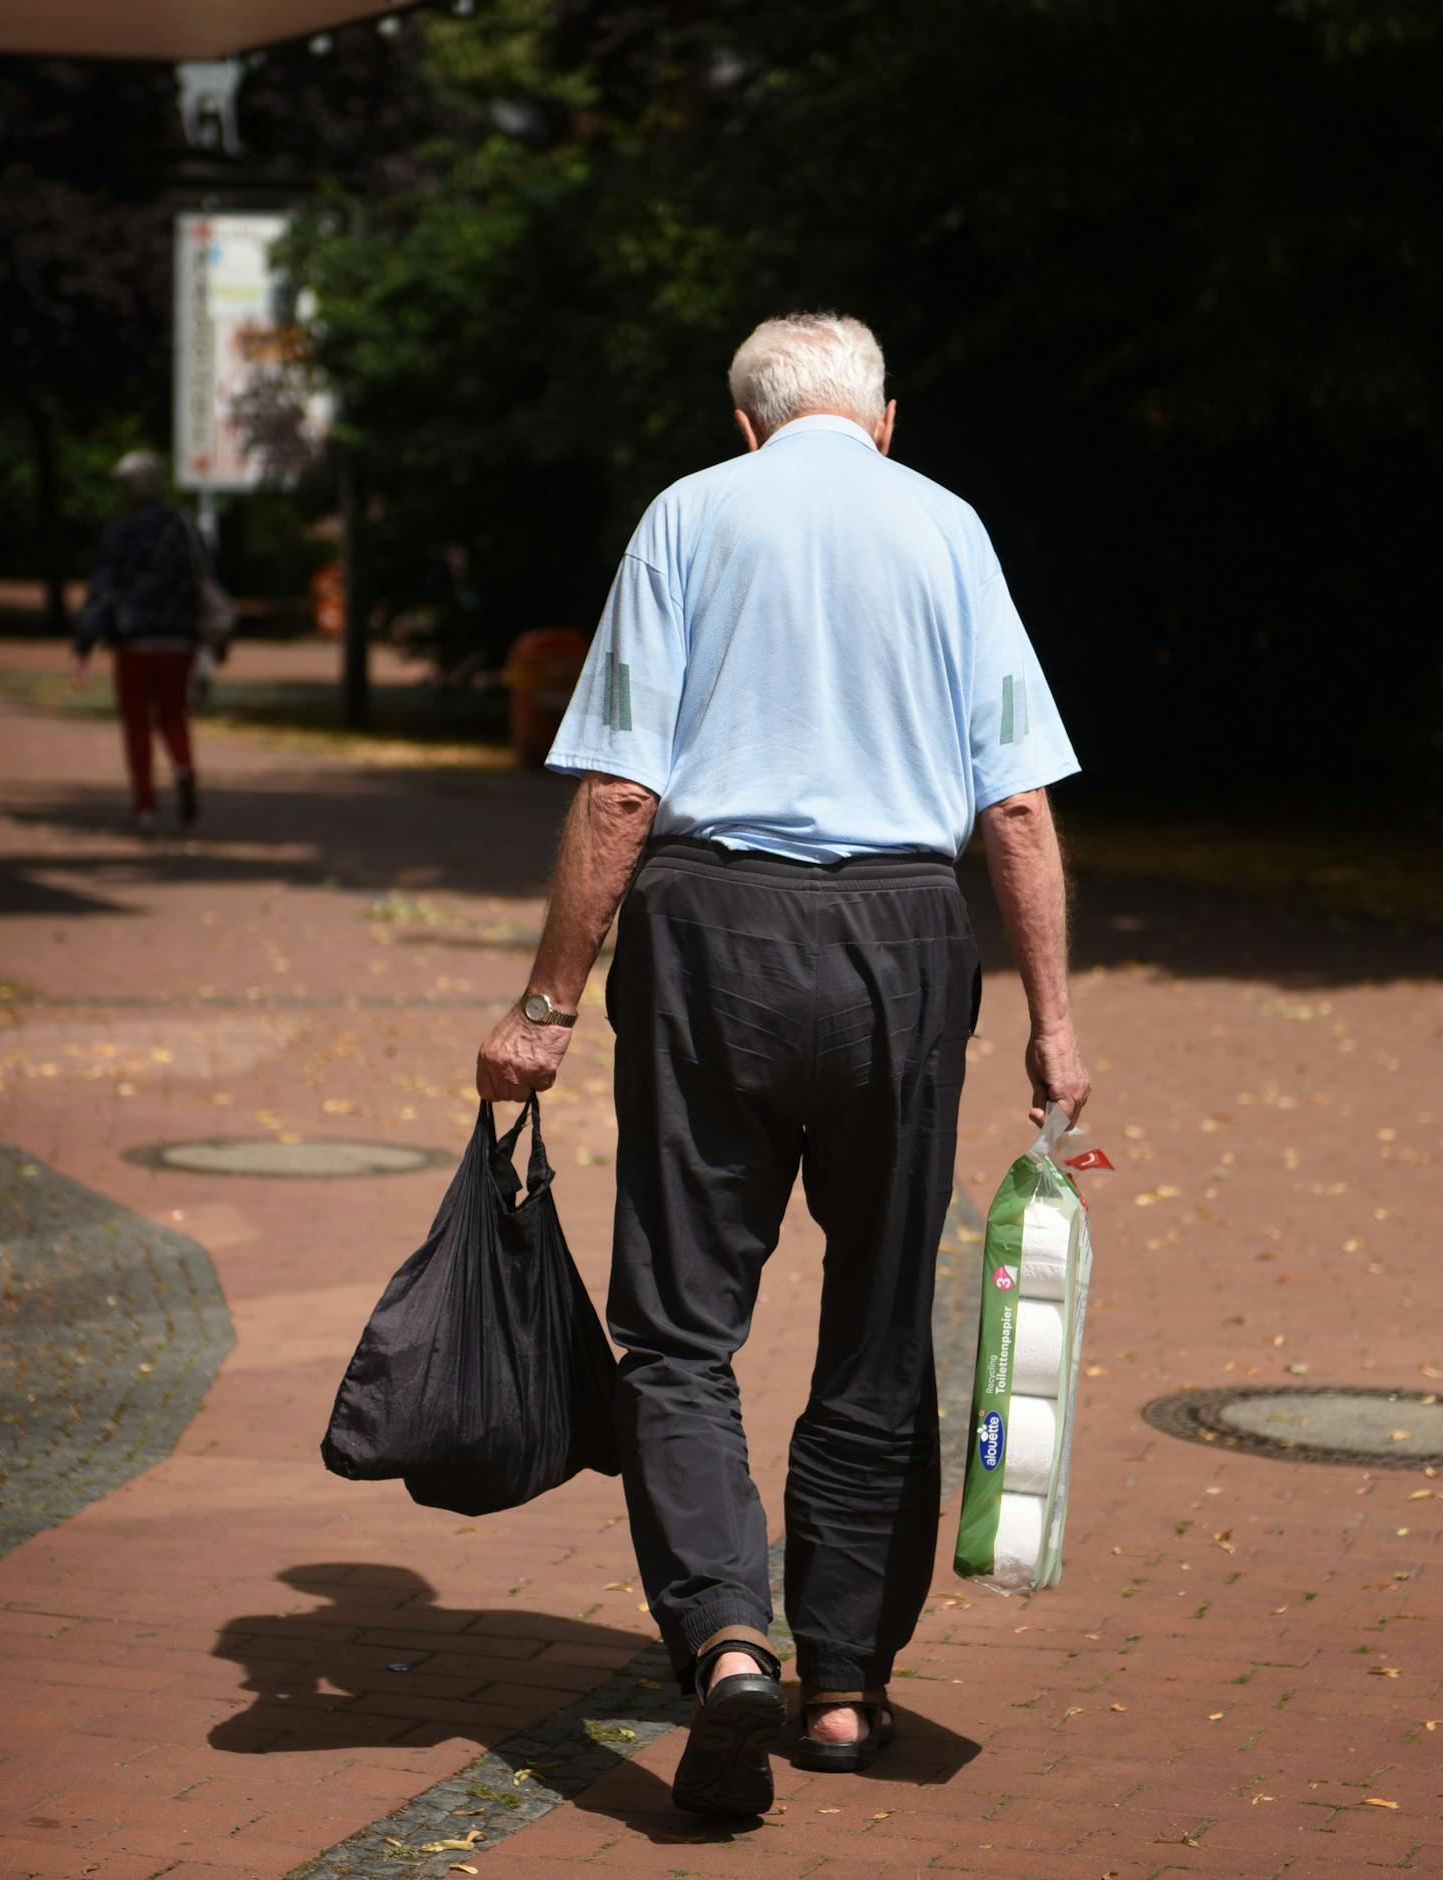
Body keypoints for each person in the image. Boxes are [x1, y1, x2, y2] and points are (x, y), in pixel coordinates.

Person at [476, 312, 1088, 1818]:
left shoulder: (690, 514)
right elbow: (1014, 808)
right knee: (879, 1320)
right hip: (901, 939)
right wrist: (1053, 1025)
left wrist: (548, 1006)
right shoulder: (949, 527)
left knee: (681, 1327)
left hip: (710, 943)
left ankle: (727, 1635)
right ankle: (842, 1691)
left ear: (747, 425)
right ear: (882, 418)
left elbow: (622, 788)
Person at [73, 450, 202, 834]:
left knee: (136, 722)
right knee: (173, 713)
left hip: (134, 639)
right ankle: (183, 767)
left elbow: (104, 589)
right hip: (179, 640)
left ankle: (145, 805)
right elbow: (201, 580)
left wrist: (84, 643)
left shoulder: (120, 531)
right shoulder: (181, 526)